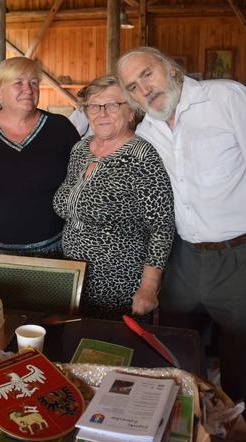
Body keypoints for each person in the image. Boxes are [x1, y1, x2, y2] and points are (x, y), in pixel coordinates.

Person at [117, 47, 246, 440]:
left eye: (147, 74)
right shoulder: (149, 130)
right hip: (185, 259)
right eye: (133, 87)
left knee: (242, 374)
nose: (145, 89)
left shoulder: (226, 98)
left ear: (170, 67)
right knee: (177, 363)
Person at [53, 75, 174, 319]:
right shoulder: (80, 150)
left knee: (110, 350)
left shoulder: (142, 156)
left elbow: (161, 226)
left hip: (120, 282)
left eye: (111, 105)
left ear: (131, 113)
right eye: (94, 106)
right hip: (74, 277)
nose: (101, 113)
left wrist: (149, 285)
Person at [0, 57, 80, 279]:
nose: (28, 89)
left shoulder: (60, 129)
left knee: (51, 314)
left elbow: (80, 184)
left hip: (52, 250)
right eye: (18, 83)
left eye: (34, 83)